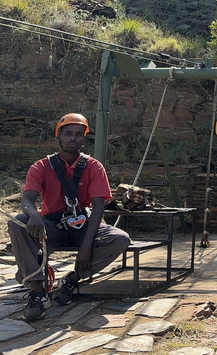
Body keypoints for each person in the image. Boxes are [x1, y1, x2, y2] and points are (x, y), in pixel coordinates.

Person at [9, 113, 131, 321]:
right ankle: (37, 290)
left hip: (83, 223)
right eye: (68, 134)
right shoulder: (41, 167)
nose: (73, 138)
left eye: (78, 134)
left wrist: (85, 247)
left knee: (120, 239)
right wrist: (33, 215)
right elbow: (28, 199)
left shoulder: (93, 167)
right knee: (18, 222)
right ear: (58, 137)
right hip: (52, 226)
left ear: (84, 139)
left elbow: (99, 207)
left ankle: (72, 280)